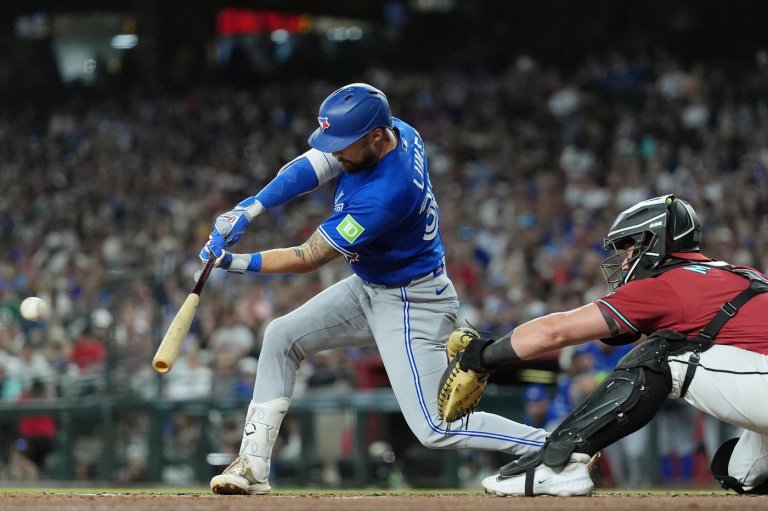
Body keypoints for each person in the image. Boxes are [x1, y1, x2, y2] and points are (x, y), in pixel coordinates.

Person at [199, 83, 549, 495]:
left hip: (411, 300)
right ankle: (252, 466)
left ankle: (553, 447)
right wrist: (250, 207)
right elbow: (312, 165)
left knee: (436, 427)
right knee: (280, 336)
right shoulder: (393, 129)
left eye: (343, 143)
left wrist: (233, 262)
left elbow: (308, 257)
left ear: (376, 137)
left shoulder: (387, 194)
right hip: (372, 285)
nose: (336, 152)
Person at [447, 194, 768, 496]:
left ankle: (560, 462)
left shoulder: (669, 283)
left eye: (629, 248)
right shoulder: (738, 273)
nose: (624, 260)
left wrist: (482, 356)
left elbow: (556, 332)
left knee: (662, 354)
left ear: (652, 243)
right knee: (740, 472)